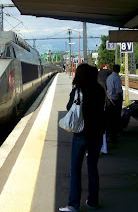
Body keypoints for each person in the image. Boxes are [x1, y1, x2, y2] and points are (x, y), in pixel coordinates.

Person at [60, 64, 106, 212]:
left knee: (75, 169)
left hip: (81, 134)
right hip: (97, 134)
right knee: (93, 168)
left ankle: (73, 205)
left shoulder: (77, 91)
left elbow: (69, 108)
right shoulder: (99, 90)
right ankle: (93, 202)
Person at [105, 64, 123, 143]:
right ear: (118, 70)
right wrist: (120, 98)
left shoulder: (109, 77)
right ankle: (114, 135)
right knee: (115, 118)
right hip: (115, 100)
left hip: (109, 99)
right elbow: (118, 90)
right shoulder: (117, 78)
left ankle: (109, 135)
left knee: (109, 119)